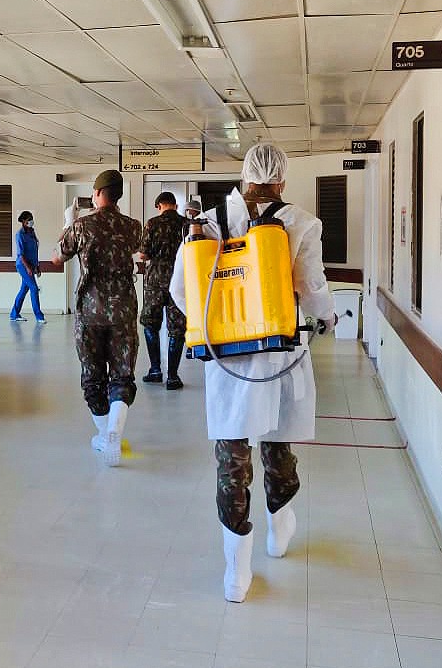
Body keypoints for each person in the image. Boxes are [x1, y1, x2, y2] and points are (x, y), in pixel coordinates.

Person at [171, 143, 337, 603]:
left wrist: (217, 325)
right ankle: (279, 530)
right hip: (280, 358)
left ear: (244, 176)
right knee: (277, 444)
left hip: (227, 363)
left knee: (232, 459)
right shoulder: (300, 222)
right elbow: (312, 286)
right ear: (281, 179)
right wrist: (327, 317)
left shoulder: (205, 223)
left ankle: (236, 573)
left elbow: (180, 291)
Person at [52, 169, 142, 467]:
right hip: (124, 310)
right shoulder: (133, 227)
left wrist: (68, 224)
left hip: (90, 312)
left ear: (100, 193)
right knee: (122, 375)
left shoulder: (82, 226)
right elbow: (140, 252)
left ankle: (104, 435)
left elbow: (57, 257)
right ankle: (114, 432)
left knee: (93, 377)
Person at [138, 191, 188, 390]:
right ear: (175, 206)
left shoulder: (152, 224)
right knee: (177, 329)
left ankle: (155, 370)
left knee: (150, 324)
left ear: (159, 206)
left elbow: (143, 254)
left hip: (155, 282)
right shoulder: (186, 224)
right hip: (180, 281)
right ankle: (173, 376)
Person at [10, 210, 46, 323]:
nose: (31, 221)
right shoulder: (19, 235)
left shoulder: (32, 232)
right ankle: (39, 316)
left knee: (24, 289)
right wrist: (28, 268)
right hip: (23, 265)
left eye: (31, 219)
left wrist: (37, 266)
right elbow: (21, 255)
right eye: (29, 219)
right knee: (34, 288)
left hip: (32, 264)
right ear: (23, 221)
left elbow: (35, 251)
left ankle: (14, 314)